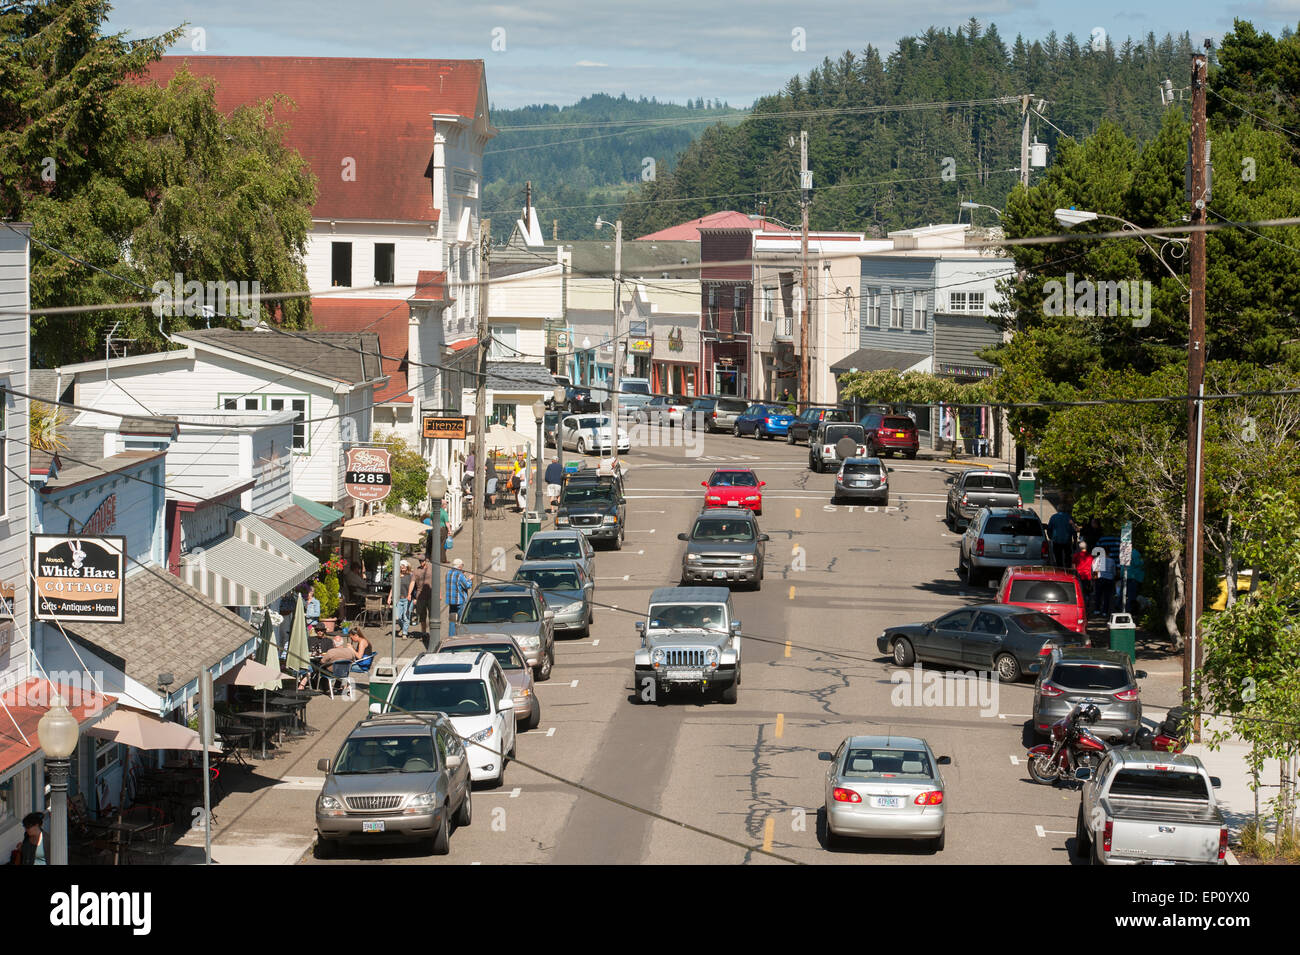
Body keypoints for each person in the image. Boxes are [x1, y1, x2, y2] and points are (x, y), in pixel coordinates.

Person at [1046, 503, 1077, 568]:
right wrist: (1075, 541)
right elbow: (1074, 530)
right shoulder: (1069, 517)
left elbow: (1049, 528)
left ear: (1058, 509)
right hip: (1067, 541)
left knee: (1058, 557)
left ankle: (1060, 569)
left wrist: (1050, 537)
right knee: (1068, 557)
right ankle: (1067, 569)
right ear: (1065, 510)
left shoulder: (1053, 517)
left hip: (1056, 540)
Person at [412, 555, 434, 636]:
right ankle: (424, 632)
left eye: (422, 561)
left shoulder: (431, 569)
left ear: (425, 561)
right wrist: (409, 594)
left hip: (431, 596)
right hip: (420, 596)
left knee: (432, 616)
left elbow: (436, 582)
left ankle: (433, 633)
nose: (421, 562)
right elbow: (412, 583)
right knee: (422, 616)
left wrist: (439, 594)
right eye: (420, 561)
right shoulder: (416, 571)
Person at [1092, 544, 1116, 618]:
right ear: (1109, 552)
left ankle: (1097, 610)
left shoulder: (1097, 559)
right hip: (1109, 579)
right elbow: (1113, 572)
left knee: (1098, 595)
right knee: (1107, 596)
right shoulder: (1112, 561)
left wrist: (1094, 580)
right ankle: (1105, 612)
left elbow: (1094, 570)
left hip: (1099, 579)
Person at [390, 560, 413, 637]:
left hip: (407, 599)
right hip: (398, 599)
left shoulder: (410, 576)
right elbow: (393, 587)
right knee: (398, 617)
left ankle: (404, 633)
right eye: (401, 567)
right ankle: (403, 628)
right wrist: (390, 597)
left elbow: (414, 587)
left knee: (406, 617)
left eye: (404, 567)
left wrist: (414, 598)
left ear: (407, 567)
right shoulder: (397, 576)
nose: (402, 568)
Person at [446, 558, 471, 623]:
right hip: (460, 601)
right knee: (461, 620)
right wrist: (469, 579)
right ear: (459, 566)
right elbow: (467, 586)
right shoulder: (460, 575)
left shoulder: (448, 573)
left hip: (451, 601)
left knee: (452, 621)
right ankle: (460, 632)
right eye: (462, 566)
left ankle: (452, 633)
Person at [1073, 540, 1094, 617]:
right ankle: (1087, 609)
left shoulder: (1076, 556)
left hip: (1078, 576)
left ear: (1079, 547)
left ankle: (1081, 609)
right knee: (1087, 594)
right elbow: (1093, 567)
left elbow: (1073, 567)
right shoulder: (1090, 556)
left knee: (1079, 593)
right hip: (1087, 577)